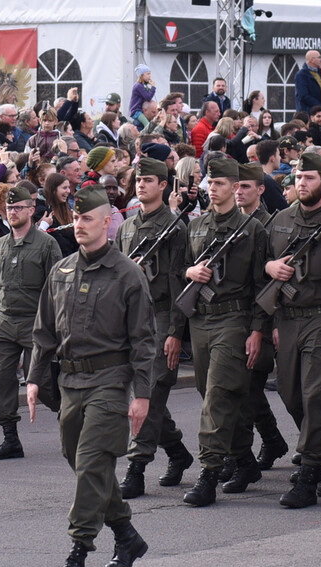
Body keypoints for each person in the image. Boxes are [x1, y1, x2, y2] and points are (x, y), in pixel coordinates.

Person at [27, 184, 156, 567]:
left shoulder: (128, 275)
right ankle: (126, 533)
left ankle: (77, 556)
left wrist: (141, 394)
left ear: (107, 222)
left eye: (87, 219)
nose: (79, 225)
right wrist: (32, 378)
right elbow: (44, 330)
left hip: (109, 383)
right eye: (76, 218)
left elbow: (143, 340)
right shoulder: (62, 270)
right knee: (85, 465)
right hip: (69, 383)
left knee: (91, 461)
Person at [259, 153, 321, 509]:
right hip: (287, 318)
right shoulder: (280, 220)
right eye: (298, 177)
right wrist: (271, 266)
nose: (301, 183)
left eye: (310, 178)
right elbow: (259, 268)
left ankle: (310, 473)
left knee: (318, 395)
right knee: (291, 395)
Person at [180, 158, 269, 507]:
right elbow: (178, 276)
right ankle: (244, 459)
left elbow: (261, 285)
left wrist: (258, 329)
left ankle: (209, 472)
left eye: (219, 183)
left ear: (235, 187)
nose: (212, 189)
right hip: (200, 319)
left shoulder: (252, 230)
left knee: (218, 394)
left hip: (234, 319)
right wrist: (190, 271)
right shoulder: (197, 226)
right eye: (210, 183)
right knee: (211, 392)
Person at [114, 157, 196, 498]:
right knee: (149, 397)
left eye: (148, 180)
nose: (141, 185)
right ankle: (177, 452)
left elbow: (180, 284)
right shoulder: (127, 227)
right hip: (131, 319)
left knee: (151, 390)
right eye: (138, 180)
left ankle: (137, 467)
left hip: (162, 316)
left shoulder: (176, 228)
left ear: (164, 185)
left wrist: (176, 332)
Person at [0, 185, 62, 459]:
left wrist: (56, 329)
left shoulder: (46, 244)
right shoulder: (0, 246)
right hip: (4, 323)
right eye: (9, 208)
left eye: (18, 208)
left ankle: (71, 422)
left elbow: (57, 290)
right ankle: (10, 439)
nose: (12, 212)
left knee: (44, 383)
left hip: (36, 323)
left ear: (31, 210)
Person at [228, 162, 290, 473]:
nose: (239, 192)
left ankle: (242, 454)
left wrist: (274, 323)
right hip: (234, 317)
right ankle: (271, 439)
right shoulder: (232, 222)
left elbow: (276, 281)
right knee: (244, 388)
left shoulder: (272, 225)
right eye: (236, 186)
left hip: (262, 316)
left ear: (261, 190)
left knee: (248, 386)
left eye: (246, 187)